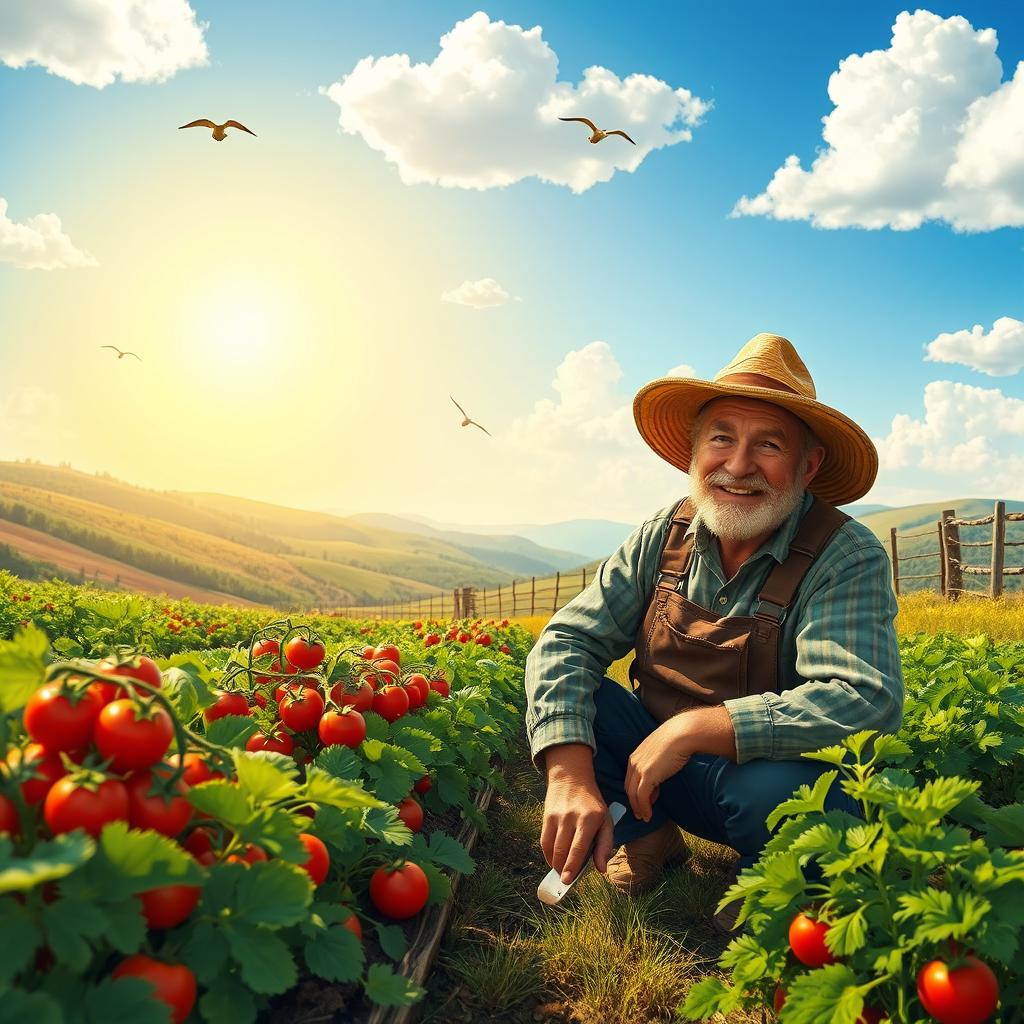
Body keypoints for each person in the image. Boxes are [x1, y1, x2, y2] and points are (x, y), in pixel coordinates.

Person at [524, 332, 904, 931]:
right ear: (694, 451)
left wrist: (699, 727)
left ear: (808, 466)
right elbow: (568, 640)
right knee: (575, 706)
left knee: (800, 800)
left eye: (769, 445)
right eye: (721, 437)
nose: (738, 464)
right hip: (650, 772)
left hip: (760, 782)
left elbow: (864, 699)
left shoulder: (843, 554)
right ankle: (647, 836)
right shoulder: (666, 533)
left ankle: (769, 878)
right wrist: (569, 771)